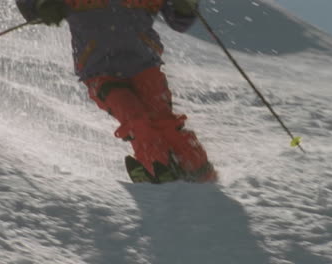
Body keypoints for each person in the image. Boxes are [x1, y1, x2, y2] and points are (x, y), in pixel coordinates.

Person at [16, 0, 217, 183]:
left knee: (164, 120)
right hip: (100, 72)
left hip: (145, 66)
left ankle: (200, 174)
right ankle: (158, 171)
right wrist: (41, 6)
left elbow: (179, 22)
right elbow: (32, 9)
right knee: (136, 119)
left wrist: (185, 6)